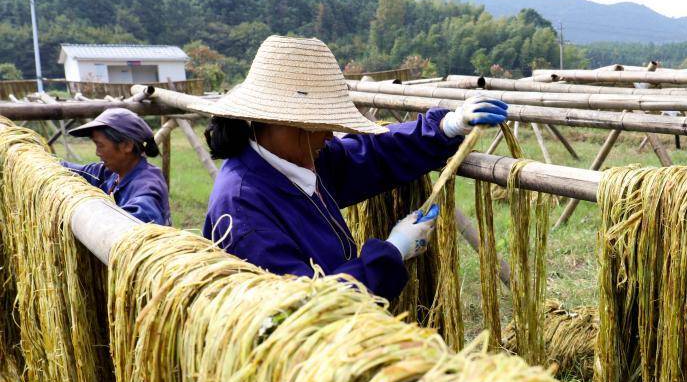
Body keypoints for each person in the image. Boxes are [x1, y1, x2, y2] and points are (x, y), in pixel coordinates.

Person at [200, 35, 508, 301]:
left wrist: (445, 127)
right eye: (317, 124)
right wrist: (392, 252)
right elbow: (309, 312)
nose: (329, 135)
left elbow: (371, 155)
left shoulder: (292, 159)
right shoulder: (243, 209)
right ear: (273, 121)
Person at [63, 108, 172, 225]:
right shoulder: (111, 173)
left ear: (126, 145)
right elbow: (73, 169)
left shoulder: (147, 185)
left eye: (100, 145)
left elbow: (138, 221)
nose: (97, 152)